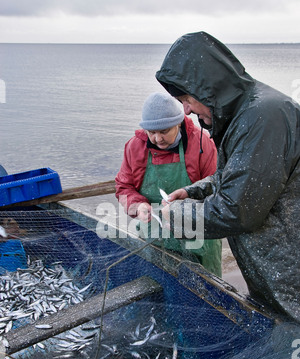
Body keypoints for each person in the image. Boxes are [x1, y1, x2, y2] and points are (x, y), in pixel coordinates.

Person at [156, 31, 300, 322]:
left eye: (187, 98)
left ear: (208, 87)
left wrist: (176, 214)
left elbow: (238, 211)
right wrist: (195, 192)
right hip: (273, 278)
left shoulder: (265, 117)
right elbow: (236, 176)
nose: (185, 109)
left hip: (291, 281)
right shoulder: (245, 113)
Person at [115, 92, 222, 276]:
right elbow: (123, 187)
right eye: (152, 132)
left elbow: (217, 191)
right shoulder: (135, 147)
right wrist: (137, 205)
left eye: (164, 131)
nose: (157, 138)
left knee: (205, 291)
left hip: (198, 238)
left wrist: (185, 216)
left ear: (178, 124)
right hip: (154, 237)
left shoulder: (202, 143)